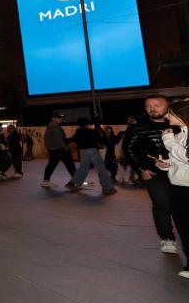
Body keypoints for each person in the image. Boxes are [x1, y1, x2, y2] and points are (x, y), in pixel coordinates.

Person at [125, 96, 180, 254]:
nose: (152, 108)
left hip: (181, 171)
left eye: (157, 105)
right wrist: (141, 169)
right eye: (148, 106)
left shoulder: (179, 123)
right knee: (162, 204)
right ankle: (167, 238)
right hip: (153, 173)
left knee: (180, 206)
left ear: (168, 106)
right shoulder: (137, 127)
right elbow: (129, 149)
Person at [154, 111, 189, 278]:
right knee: (183, 227)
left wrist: (168, 141)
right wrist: (164, 164)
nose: (167, 117)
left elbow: (187, 157)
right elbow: (178, 161)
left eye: (171, 114)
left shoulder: (176, 137)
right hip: (178, 187)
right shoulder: (181, 134)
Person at [67, 118, 115, 195]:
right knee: (101, 169)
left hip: (82, 152)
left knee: (83, 168)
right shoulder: (92, 131)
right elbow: (101, 141)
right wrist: (105, 136)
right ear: (87, 124)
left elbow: (73, 139)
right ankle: (108, 188)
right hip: (92, 151)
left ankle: (73, 184)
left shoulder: (78, 131)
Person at [42, 113, 76, 187]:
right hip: (60, 149)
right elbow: (59, 140)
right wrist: (67, 147)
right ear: (53, 118)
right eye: (59, 118)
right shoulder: (54, 126)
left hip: (54, 149)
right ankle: (77, 181)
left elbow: (55, 139)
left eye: (61, 118)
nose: (61, 119)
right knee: (70, 165)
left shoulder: (50, 126)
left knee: (51, 165)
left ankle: (45, 180)